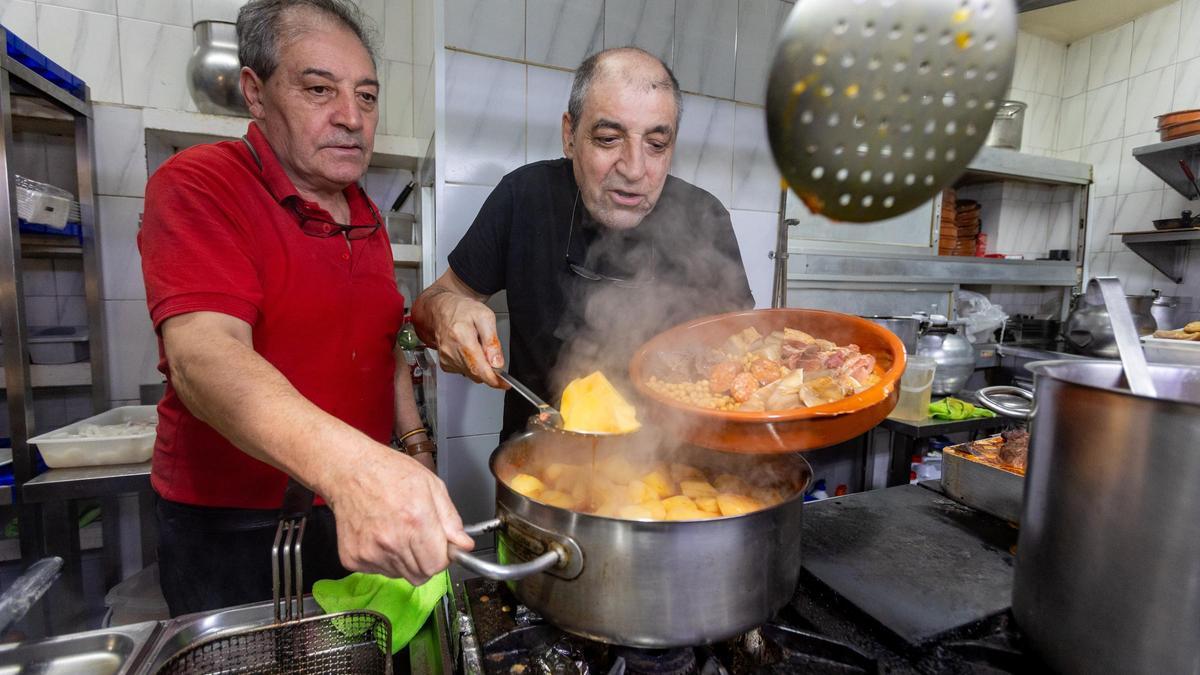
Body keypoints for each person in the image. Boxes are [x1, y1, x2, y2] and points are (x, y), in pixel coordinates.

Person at [139, 0, 471, 616]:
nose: (351, 117)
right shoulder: (199, 185)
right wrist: (353, 470)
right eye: (320, 89)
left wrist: (416, 445)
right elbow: (203, 357)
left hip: (347, 513)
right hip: (234, 528)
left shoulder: (365, 214)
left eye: (367, 98)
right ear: (255, 93)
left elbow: (381, 348)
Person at [413, 48, 754, 440]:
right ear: (569, 136)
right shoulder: (524, 197)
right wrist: (445, 311)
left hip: (677, 471)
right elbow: (430, 304)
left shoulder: (704, 217)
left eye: (657, 145)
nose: (634, 169)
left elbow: (741, 349)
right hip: (541, 470)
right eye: (609, 139)